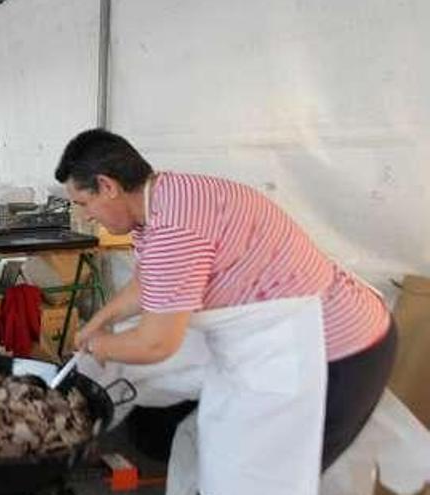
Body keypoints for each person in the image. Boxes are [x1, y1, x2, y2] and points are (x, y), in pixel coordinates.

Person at [56, 128, 397, 494]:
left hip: (334, 355)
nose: (86, 216)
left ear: (107, 186)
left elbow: (157, 344)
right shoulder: (166, 195)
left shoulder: (175, 228)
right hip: (290, 339)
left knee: (269, 480)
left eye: (83, 203)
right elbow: (149, 279)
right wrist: (102, 319)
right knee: (225, 456)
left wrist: (98, 347)